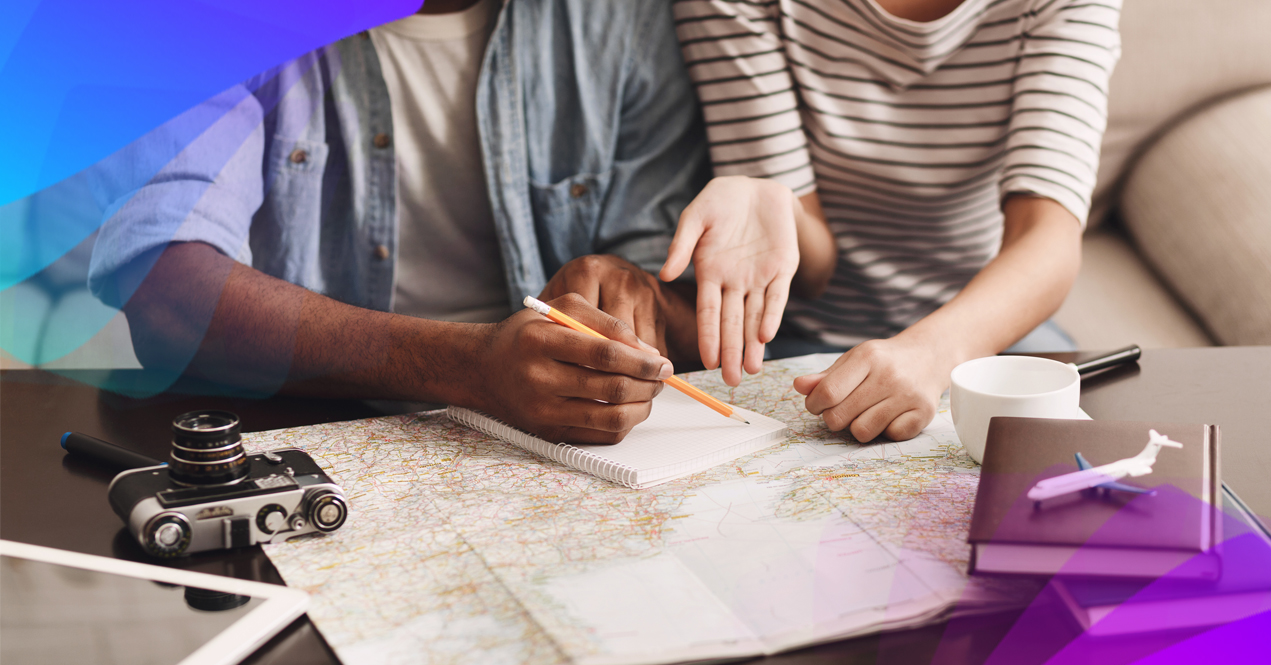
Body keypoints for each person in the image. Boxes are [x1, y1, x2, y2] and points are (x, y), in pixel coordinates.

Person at [87, 0, 709, 444]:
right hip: (304, 438)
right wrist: (469, 367)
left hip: (547, 461)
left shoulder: (627, 18)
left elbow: (683, 303)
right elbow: (164, 293)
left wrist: (637, 291)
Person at [664, 0, 1121, 442]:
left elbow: (1047, 234)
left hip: (987, 324)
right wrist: (772, 200)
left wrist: (932, 352)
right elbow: (814, 271)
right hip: (804, 340)